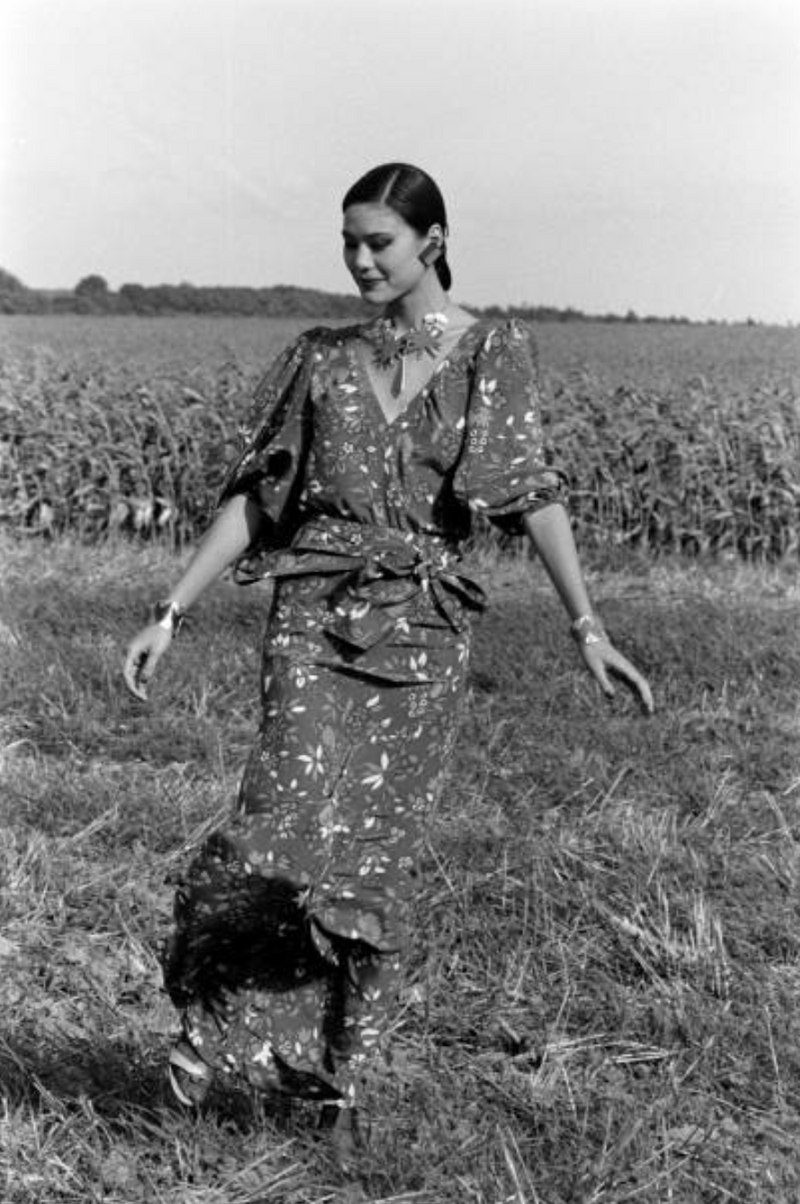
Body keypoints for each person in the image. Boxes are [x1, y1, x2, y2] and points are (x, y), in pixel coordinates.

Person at [123, 162, 653, 1165]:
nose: (361, 261)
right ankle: (210, 1040)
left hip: (423, 639)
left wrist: (587, 627)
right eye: (349, 243)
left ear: (433, 242)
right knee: (271, 834)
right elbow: (255, 499)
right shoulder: (318, 358)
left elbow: (528, 492)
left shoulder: (493, 350)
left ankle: (332, 1077)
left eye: (380, 243)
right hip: (312, 624)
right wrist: (170, 610)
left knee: (370, 866)